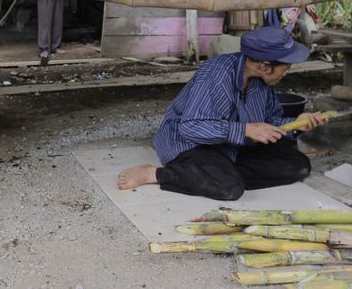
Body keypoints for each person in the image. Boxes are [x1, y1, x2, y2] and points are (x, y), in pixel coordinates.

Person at [117, 27, 327, 200]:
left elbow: (270, 122)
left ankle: (216, 173)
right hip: (191, 144)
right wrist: (245, 129)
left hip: (231, 146)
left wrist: (296, 124)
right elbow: (190, 127)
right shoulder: (215, 75)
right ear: (264, 66)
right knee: (231, 189)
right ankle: (154, 174)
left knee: (298, 165)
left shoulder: (263, 82)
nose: (288, 71)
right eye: (286, 67)